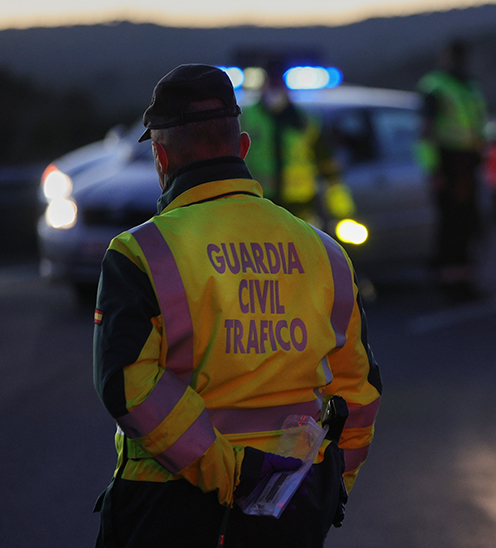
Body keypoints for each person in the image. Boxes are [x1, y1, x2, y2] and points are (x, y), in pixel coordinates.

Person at [92, 64, 382, 548]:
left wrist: (227, 474)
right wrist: (331, 489)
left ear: (160, 157)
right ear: (243, 147)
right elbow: (359, 390)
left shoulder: (141, 253)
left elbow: (128, 385)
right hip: (291, 503)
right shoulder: (327, 254)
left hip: (166, 504)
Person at [239, 61, 355, 231]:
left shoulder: (305, 120)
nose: (274, 91)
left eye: (278, 85)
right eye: (271, 85)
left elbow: (327, 165)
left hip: (301, 206)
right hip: (259, 204)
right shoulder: (246, 118)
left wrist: (342, 210)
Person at [417, 39, 488, 302]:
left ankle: (463, 279)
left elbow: (475, 124)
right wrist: (434, 170)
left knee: (468, 223)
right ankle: (450, 283)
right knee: (452, 225)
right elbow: (426, 133)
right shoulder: (435, 87)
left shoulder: (469, 86)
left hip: (468, 162)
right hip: (449, 164)